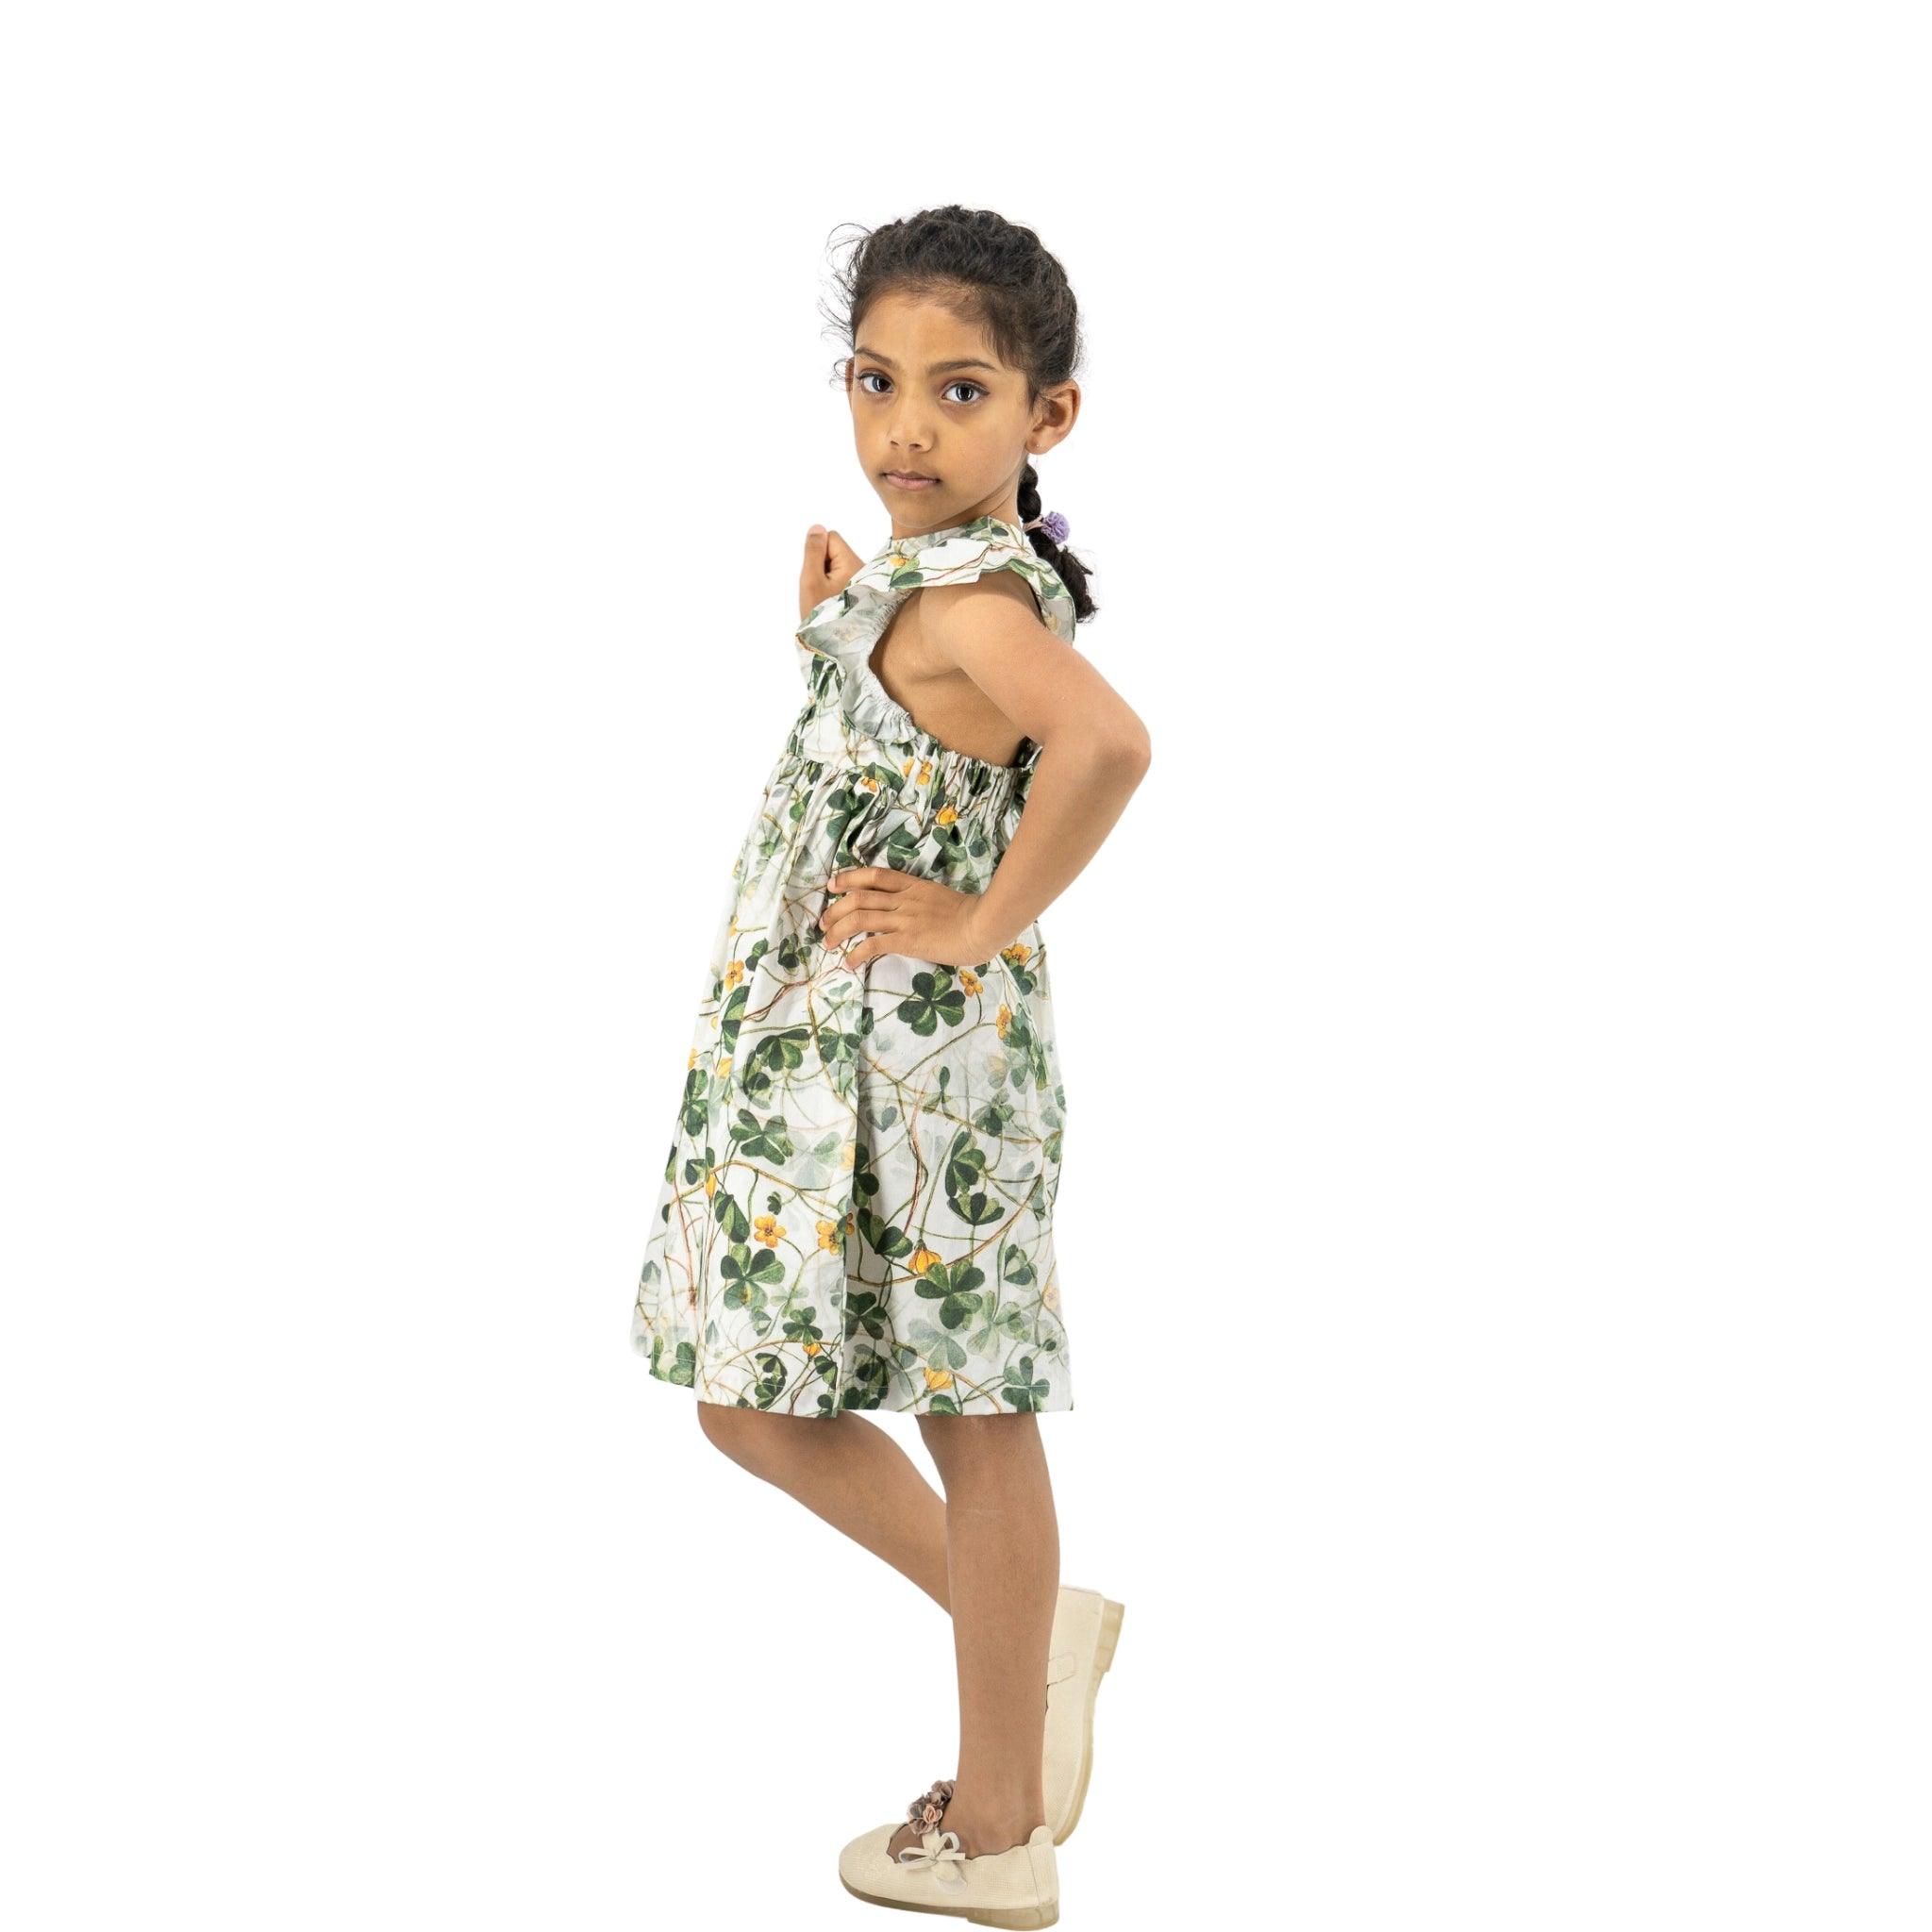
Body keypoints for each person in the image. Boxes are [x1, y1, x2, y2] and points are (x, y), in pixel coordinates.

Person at [630, 205, 1149, 1926]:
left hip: (913, 1074)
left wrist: (979, 922)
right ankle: (1031, 1638)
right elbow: (929, 737)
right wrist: (845, 641)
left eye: (961, 390)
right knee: (752, 1398)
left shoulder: (985, 598)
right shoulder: (937, 589)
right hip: (838, 1059)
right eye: (876, 383)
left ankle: (998, 1820)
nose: (906, 429)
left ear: (1045, 418)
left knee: (967, 1410)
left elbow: (1106, 741)